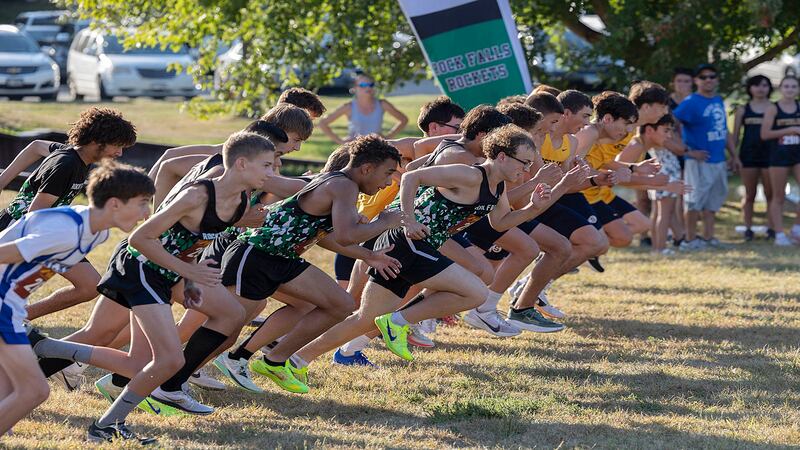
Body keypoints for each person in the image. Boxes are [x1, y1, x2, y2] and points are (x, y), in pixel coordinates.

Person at [31, 131, 275, 442]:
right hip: (141, 267)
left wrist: (187, 277)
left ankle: (47, 346)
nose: (273, 172)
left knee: (226, 316)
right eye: (267, 165)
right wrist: (188, 271)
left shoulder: (240, 198)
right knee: (169, 359)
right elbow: (140, 238)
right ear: (241, 164)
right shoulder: (198, 195)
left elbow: (191, 243)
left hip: (167, 273)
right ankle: (106, 424)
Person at [213, 135, 403, 394]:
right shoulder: (343, 186)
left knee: (339, 304)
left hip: (281, 258)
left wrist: (368, 255)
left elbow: (328, 237)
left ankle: (270, 360)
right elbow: (347, 235)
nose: (390, 182)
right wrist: (385, 221)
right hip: (257, 253)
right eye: (388, 173)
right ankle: (170, 379)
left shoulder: (342, 186)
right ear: (367, 168)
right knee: (222, 326)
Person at [0, 161, 154, 438]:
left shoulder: (96, 232)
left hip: (9, 309)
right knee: (34, 390)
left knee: (10, 387)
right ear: (116, 204)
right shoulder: (67, 229)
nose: (147, 214)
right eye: (142, 204)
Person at [0, 108, 135, 322]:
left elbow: (35, 146)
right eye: (117, 145)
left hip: (51, 233)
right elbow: (34, 215)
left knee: (90, 286)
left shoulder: (75, 156)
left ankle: (19, 317)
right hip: (21, 230)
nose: (119, 153)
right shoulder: (66, 165)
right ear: (96, 141)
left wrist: (3, 179)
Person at [673, 64, 742, 248]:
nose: (708, 80)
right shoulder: (691, 102)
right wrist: (686, 150)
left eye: (712, 76)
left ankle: (709, 238)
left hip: (718, 159)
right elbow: (669, 125)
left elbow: (724, 130)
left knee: (713, 202)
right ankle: (689, 239)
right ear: (696, 81)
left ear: (717, 79)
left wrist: (734, 155)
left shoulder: (718, 100)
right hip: (698, 161)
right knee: (694, 202)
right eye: (703, 77)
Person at [617, 115, 691, 254]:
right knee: (664, 215)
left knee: (659, 214)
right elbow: (618, 176)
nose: (669, 135)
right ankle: (660, 248)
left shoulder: (645, 143)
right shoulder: (638, 144)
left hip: (661, 176)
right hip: (665, 174)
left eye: (670, 131)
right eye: (666, 130)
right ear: (650, 129)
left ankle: (659, 247)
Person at [732, 75, 775, 241]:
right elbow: (735, 136)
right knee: (749, 195)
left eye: (764, 85)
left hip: (771, 156)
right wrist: (733, 156)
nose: (760, 89)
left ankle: (771, 229)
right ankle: (748, 228)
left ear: (769, 88)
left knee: (770, 195)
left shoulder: (774, 108)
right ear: (750, 88)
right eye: (756, 85)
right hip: (748, 156)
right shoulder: (743, 109)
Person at [761, 75, 800, 246]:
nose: (790, 89)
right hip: (779, 156)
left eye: (793, 86)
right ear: (781, 88)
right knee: (778, 196)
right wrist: (789, 130)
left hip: (798, 154)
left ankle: (797, 229)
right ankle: (779, 235)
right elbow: (765, 134)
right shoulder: (773, 108)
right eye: (786, 86)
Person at [318, 72, 408, 144]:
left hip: (377, 149)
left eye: (371, 85)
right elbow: (323, 123)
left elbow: (404, 120)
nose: (368, 87)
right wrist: (341, 141)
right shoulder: (348, 106)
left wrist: (387, 138)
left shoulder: (382, 104)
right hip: (354, 151)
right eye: (363, 85)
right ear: (354, 88)